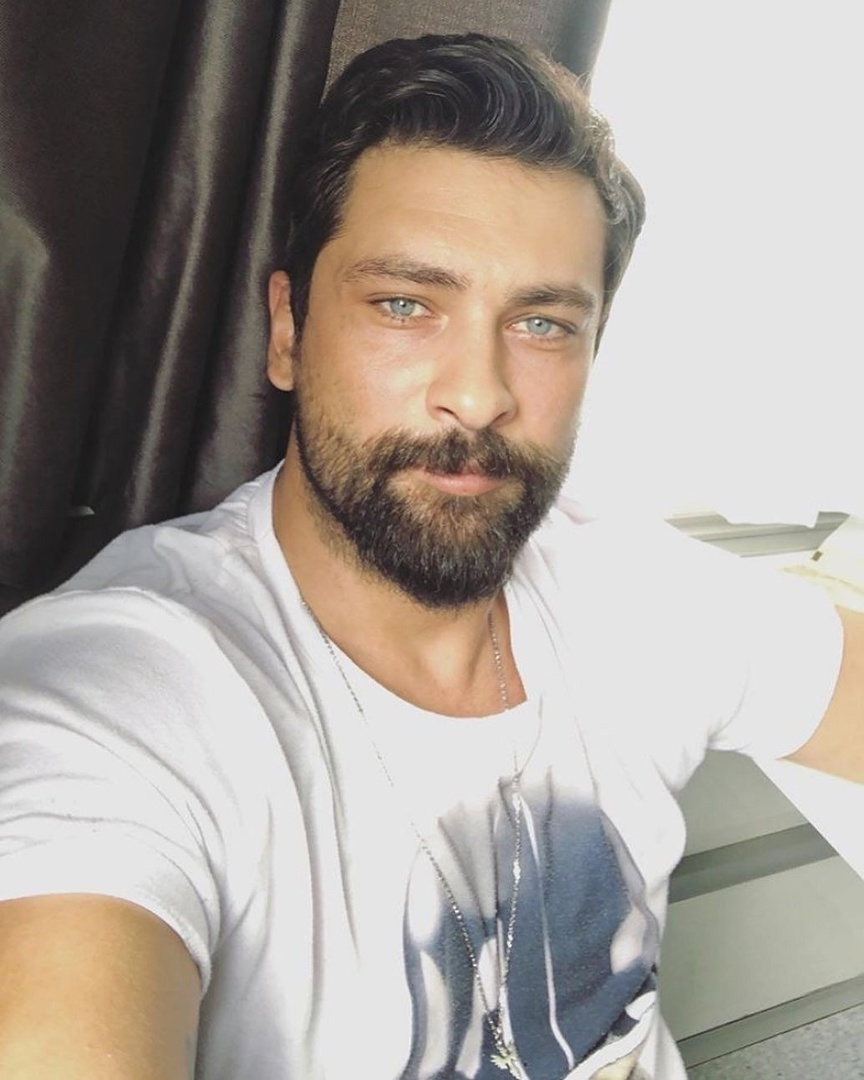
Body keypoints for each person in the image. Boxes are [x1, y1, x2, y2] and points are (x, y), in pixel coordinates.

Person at [0, 31, 861, 1080]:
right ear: (288, 330)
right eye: (406, 305)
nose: (479, 393)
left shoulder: (628, 586)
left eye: (541, 324)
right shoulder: (118, 696)